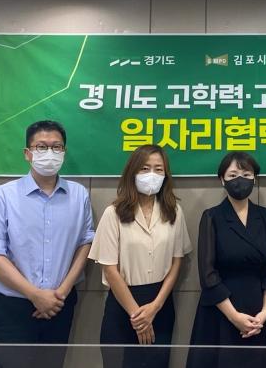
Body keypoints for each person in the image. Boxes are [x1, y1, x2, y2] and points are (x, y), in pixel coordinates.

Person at [0, 120, 95, 368]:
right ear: (27, 153)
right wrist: (35, 295)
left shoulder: (79, 195)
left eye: (56, 147)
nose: (49, 152)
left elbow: (86, 244)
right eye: (41, 146)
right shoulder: (3, 195)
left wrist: (60, 294)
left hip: (59, 306)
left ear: (64, 152)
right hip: (12, 308)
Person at [88, 144, 192, 368]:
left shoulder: (174, 211)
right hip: (123, 304)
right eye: (145, 168)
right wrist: (138, 317)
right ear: (132, 172)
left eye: (158, 169)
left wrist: (155, 307)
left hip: (160, 303)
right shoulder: (113, 213)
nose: (151, 174)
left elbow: (177, 261)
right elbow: (109, 269)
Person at [186, 152, 266, 368]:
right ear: (222, 180)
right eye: (233, 175)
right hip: (221, 310)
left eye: (246, 174)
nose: (240, 180)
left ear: (254, 179)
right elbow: (207, 274)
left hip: (257, 312)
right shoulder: (212, 216)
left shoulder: (265, 216)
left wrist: (265, 312)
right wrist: (234, 316)